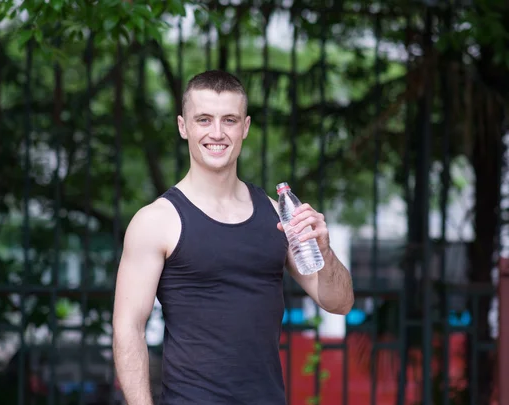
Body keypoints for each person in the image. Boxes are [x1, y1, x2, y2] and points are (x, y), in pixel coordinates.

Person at [112, 70, 354, 405]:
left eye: (229, 120)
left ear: (245, 127)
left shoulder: (276, 215)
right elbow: (128, 329)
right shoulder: (156, 221)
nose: (217, 132)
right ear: (183, 126)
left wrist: (325, 252)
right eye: (204, 119)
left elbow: (339, 303)